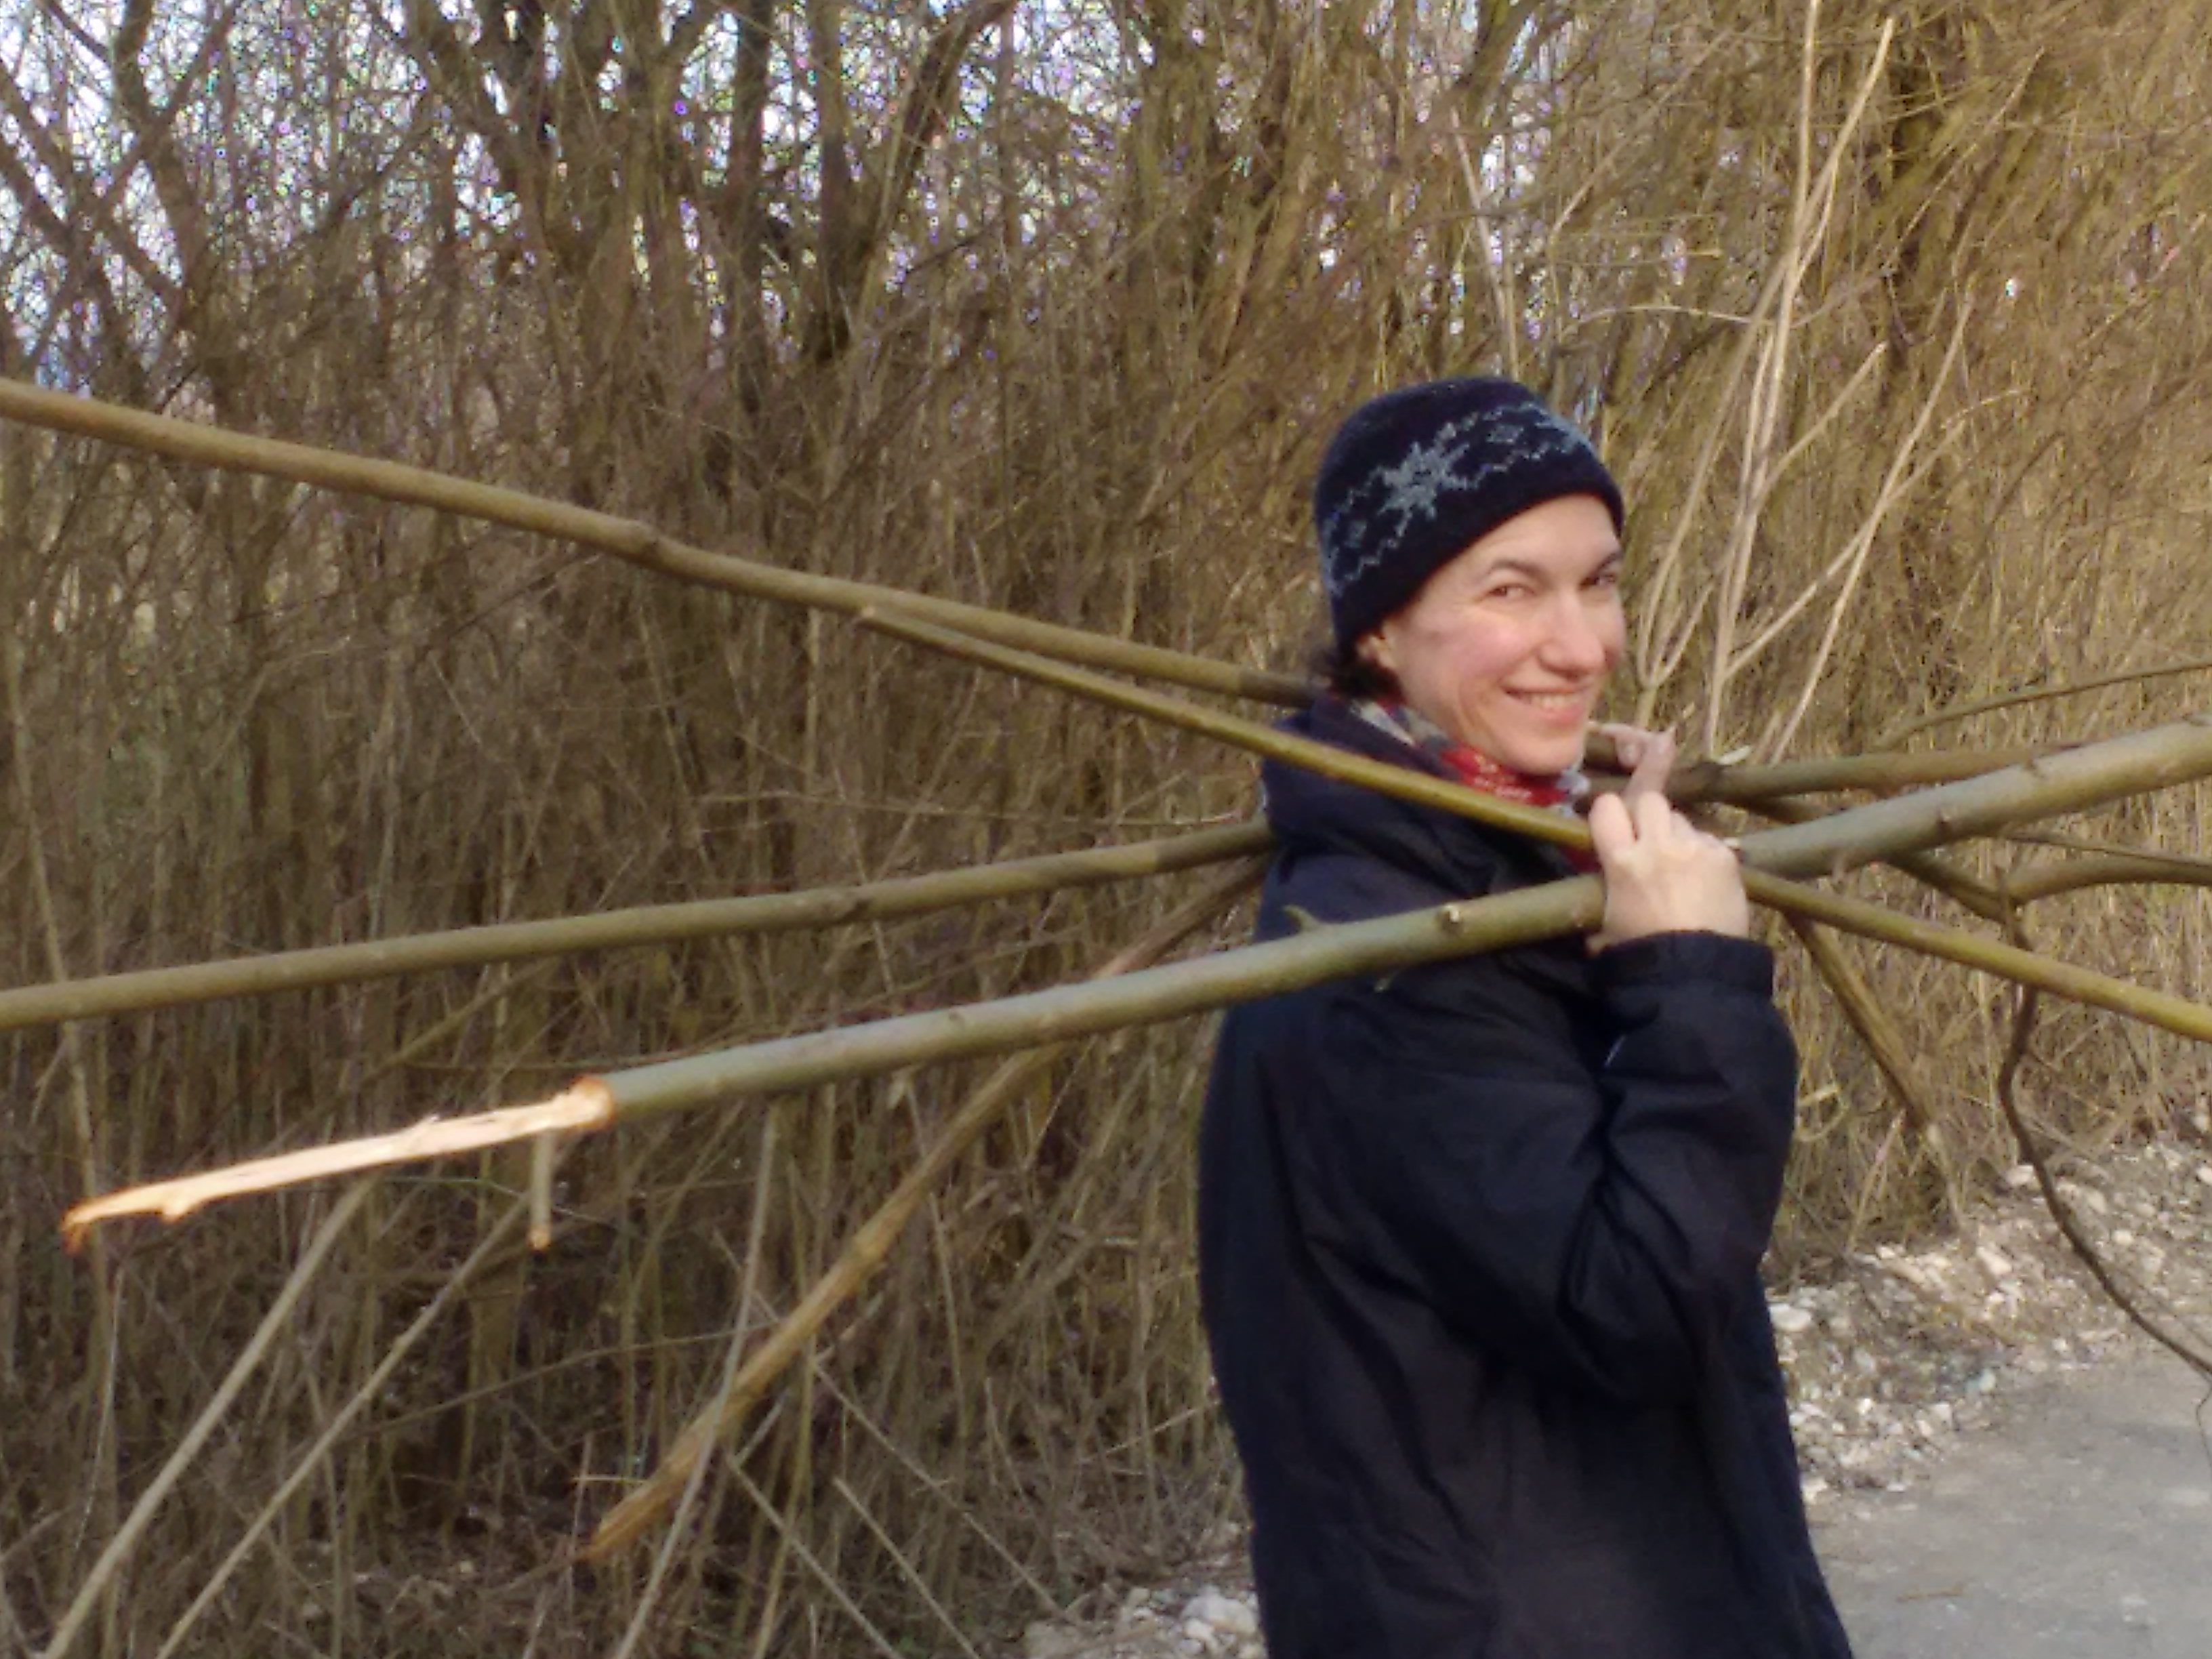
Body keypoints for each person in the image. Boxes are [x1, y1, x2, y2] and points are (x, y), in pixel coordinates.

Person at [1197, 378, 1853, 1658]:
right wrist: (1687, 977)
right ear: (1382, 630)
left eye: (1597, 582)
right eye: (1511, 591)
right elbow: (1634, 1302)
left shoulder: (1484, 873)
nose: (1584, 644)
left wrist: (1598, 888)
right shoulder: (1380, 963)